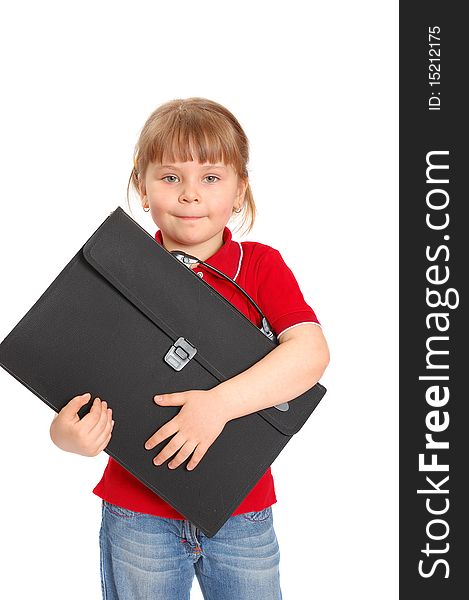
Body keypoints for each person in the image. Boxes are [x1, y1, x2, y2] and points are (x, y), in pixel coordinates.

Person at [49, 97, 330, 600]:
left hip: (241, 510)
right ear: (142, 185)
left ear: (240, 189)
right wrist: (68, 435)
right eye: (171, 177)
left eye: (211, 178)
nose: (190, 195)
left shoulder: (260, 266)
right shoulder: (117, 270)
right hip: (138, 513)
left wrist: (219, 405)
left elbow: (310, 354)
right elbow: (74, 376)